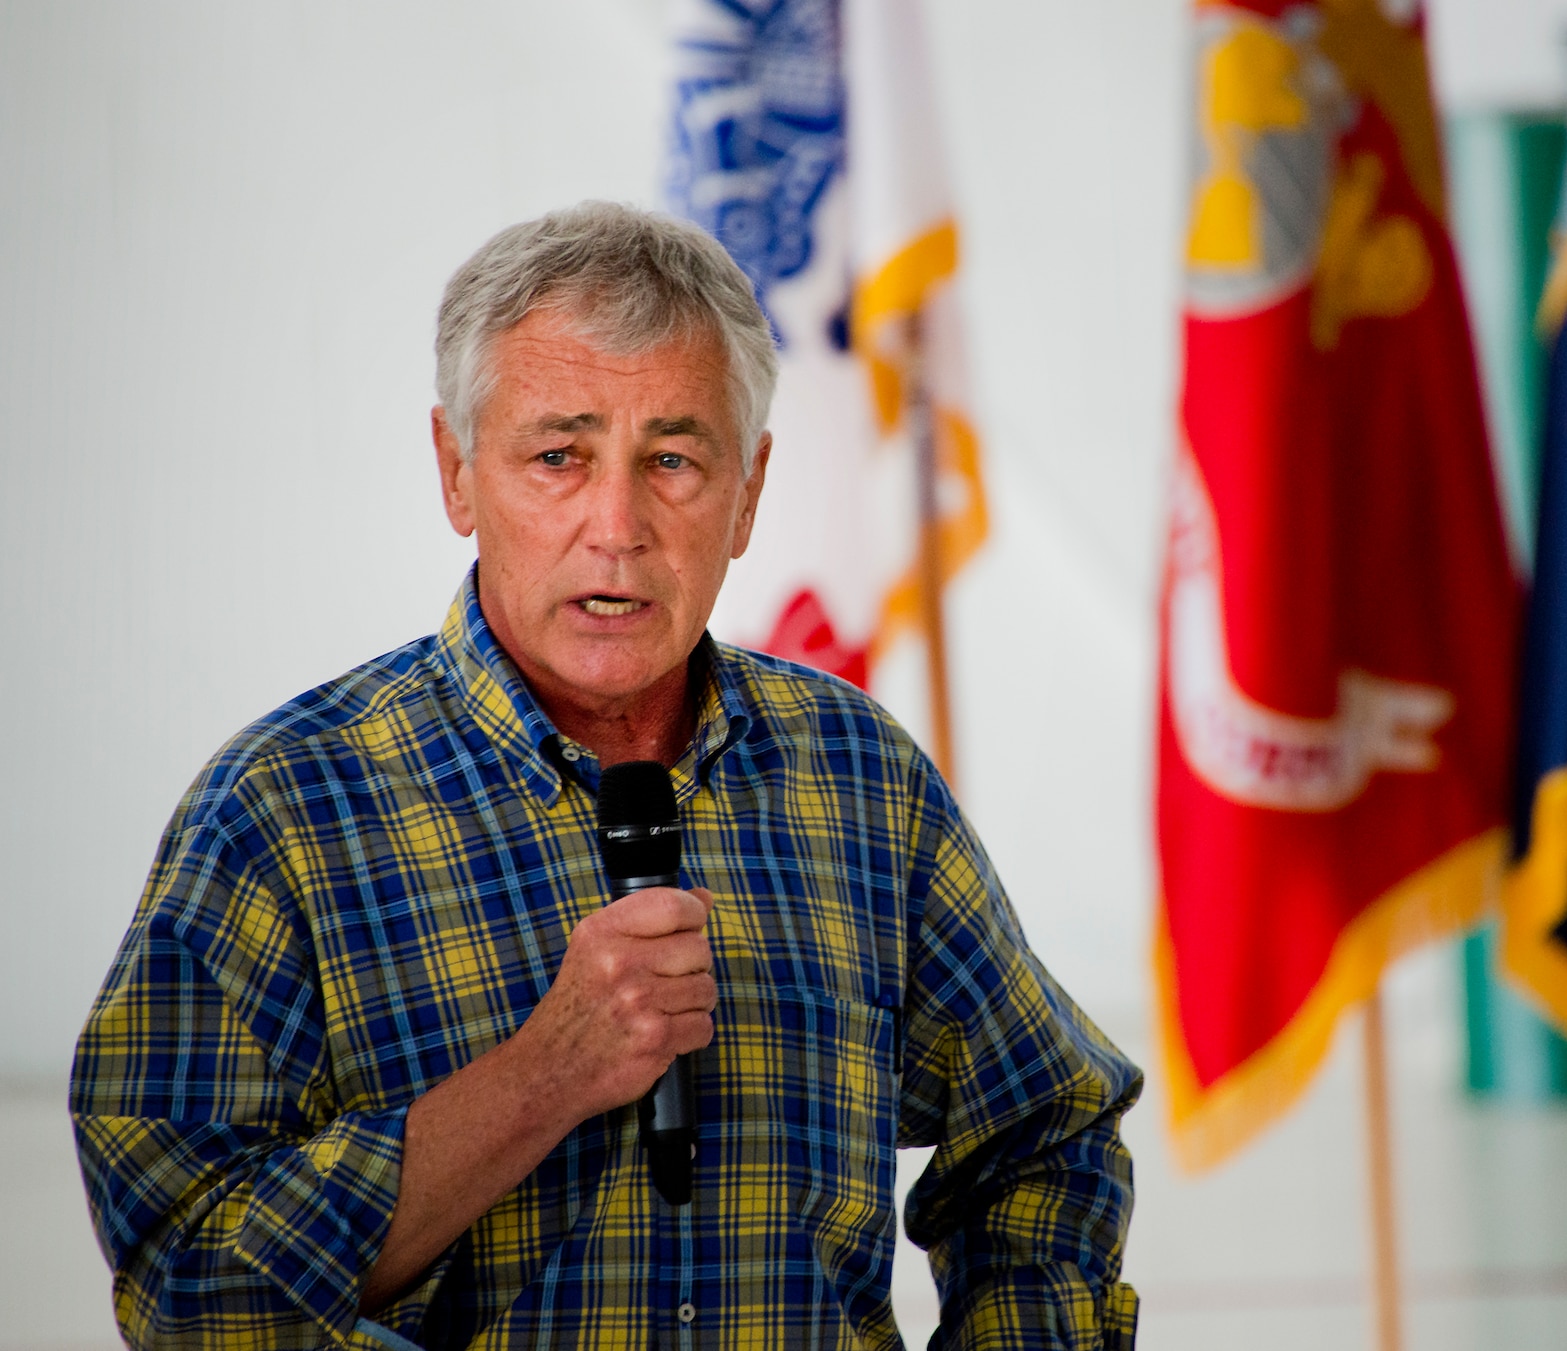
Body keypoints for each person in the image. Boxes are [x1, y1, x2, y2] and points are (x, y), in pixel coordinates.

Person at [70, 202, 1141, 1349]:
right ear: (457, 473)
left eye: (673, 459)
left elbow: (1045, 1131)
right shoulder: (281, 809)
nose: (617, 526)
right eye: (557, 457)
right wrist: (545, 1073)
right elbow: (185, 1278)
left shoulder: (857, 777)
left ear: (748, 491)